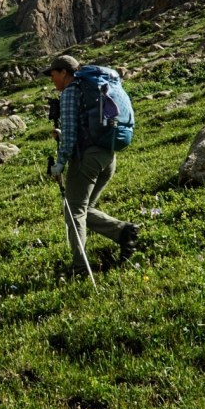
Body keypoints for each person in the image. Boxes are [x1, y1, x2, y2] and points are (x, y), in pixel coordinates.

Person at [43, 54, 139, 276]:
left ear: (64, 72)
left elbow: (70, 134)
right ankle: (124, 232)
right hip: (107, 155)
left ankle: (81, 268)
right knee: (85, 210)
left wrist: (60, 164)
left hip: (87, 159)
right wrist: (63, 135)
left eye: (53, 74)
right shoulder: (91, 88)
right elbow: (82, 126)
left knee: (73, 212)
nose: (52, 79)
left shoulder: (70, 91)